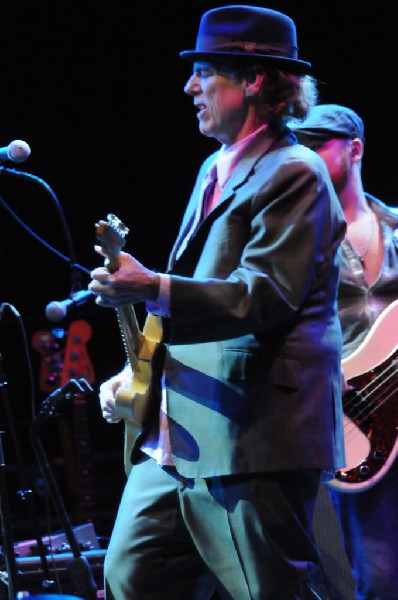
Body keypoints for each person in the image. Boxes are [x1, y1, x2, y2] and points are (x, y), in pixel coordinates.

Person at [88, 7, 347, 599]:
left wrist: (150, 286)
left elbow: (267, 296)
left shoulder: (296, 172)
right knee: (132, 576)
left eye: (205, 71)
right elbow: (188, 296)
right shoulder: (213, 168)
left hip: (251, 430)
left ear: (253, 79)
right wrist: (135, 372)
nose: (190, 86)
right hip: (180, 427)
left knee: (269, 588)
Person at [292, 104, 398, 599]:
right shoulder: (296, 239)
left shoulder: (394, 225)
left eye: (318, 145)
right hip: (345, 425)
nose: (305, 156)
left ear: (354, 149)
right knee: (369, 577)